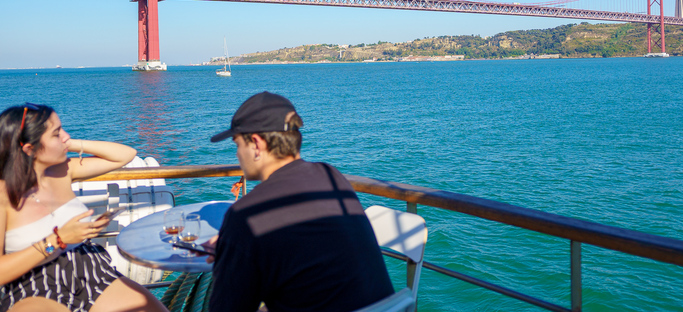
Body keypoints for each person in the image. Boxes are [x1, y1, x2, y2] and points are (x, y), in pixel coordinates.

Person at [206, 91, 394, 312]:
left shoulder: (245, 215)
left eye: (237, 144)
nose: (237, 154)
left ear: (256, 144)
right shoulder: (332, 177)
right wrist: (236, 247)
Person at [0, 103, 168, 312]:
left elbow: (126, 155)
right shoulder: (3, 196)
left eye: (62, 129)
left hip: (90, 267)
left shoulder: (64, 170)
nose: (66, 135)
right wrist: (59, 239)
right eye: (56, 133)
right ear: (29, 149)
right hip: (34, 282)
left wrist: (69, 144)